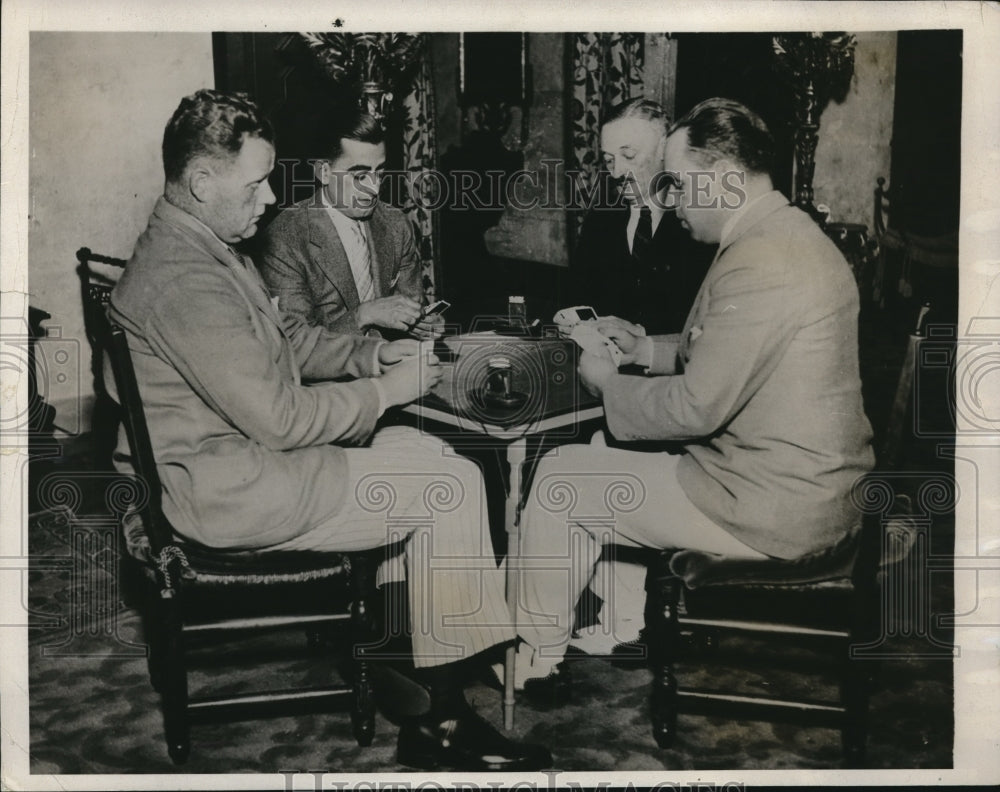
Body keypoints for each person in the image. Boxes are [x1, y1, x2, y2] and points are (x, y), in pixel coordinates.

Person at [107, 89, 549, 771]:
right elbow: (282, 418)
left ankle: (410, 671)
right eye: (255, 185)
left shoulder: (197, 245)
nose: (266, 202)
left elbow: (282, 347)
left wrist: (371, 355)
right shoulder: (185, 279)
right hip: (233, 488)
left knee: (426, 451)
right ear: (201, 182)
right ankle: (441, 723)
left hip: (237, 462)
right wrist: (385, 390)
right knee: (450, 487)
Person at [511, 98, 875, 687]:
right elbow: (725, 344)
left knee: (558, 478)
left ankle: (534, 658)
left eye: (679, 183)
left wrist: (608, 382)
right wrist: (643, 351)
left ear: (727, 180)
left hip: (771, 506)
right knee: (596, 462)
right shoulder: (783, 234)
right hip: (803, 485)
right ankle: (616, 627)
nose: (672, 197)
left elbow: (695, 407)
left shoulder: (761, 260)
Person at [257, 107, 441, 339]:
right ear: (324, 172)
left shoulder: (396, 224)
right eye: (359, 176)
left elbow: (410, 309)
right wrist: (363, 315)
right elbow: (295, 345)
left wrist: (422, 324)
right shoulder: (285, 239)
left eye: (380, 173)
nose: (374, 188)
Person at [568, 97, 715, 335]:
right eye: (608, 160)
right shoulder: (601, 218)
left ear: (665, 149)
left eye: (629, 156)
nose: (616, 172)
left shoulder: (699, 220)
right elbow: (578, 296)